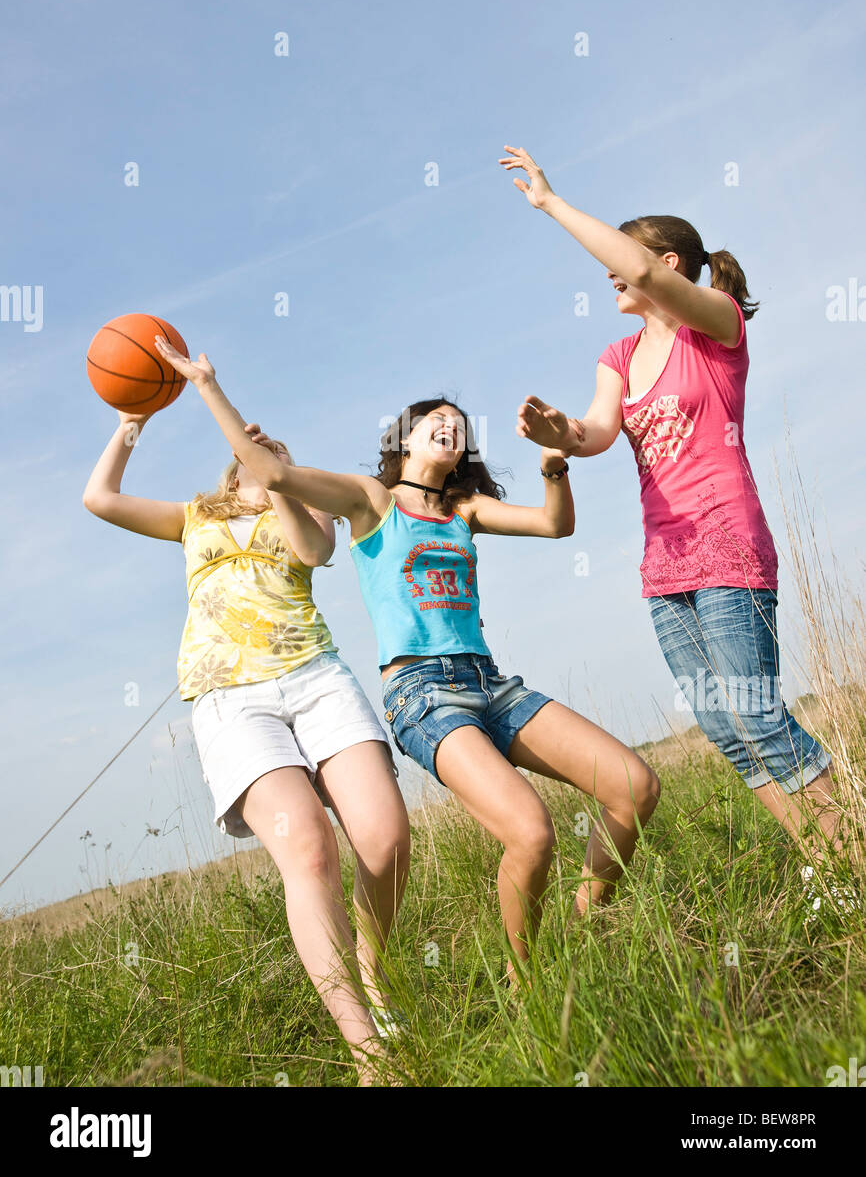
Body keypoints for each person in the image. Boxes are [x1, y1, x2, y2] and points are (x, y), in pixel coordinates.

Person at [153, 336, 661, 985]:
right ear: (404, 441)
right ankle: (526, 983)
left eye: (460, 426)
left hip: (491, 684)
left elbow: (556, 526)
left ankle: (582, 923)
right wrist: (206, 385)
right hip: (424, 695)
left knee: (635, 787)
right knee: (531, 834)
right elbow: (274, 476)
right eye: (435, 421)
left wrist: (554, 459)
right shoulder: (373, 502)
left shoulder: (463, 510)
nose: (450, 427)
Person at [501, 144, 846, 894]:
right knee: (728, 733)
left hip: (727, 540)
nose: (610, 273)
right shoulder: (619, 355)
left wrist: (553, 205)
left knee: (760, 719)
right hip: (666, 564)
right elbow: (594, 433)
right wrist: (557, 436)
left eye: (623, 258)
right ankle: (834, 874)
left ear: (667, 259)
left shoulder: (715, 326)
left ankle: (852, 862)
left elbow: (651, 277)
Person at [83, 408, 410, 1085]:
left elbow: (315, 553)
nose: (260, 457)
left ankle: (377, 975)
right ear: (230, 469)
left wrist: (283, 478)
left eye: (275, 453)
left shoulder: (304, 510)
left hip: (315, 678)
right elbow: (100, 498)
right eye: (252, 455)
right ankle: (368, 1052)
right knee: (311, 851)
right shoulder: (192, 516)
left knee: (385, 839)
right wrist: (131, 423)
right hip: (233, 701)